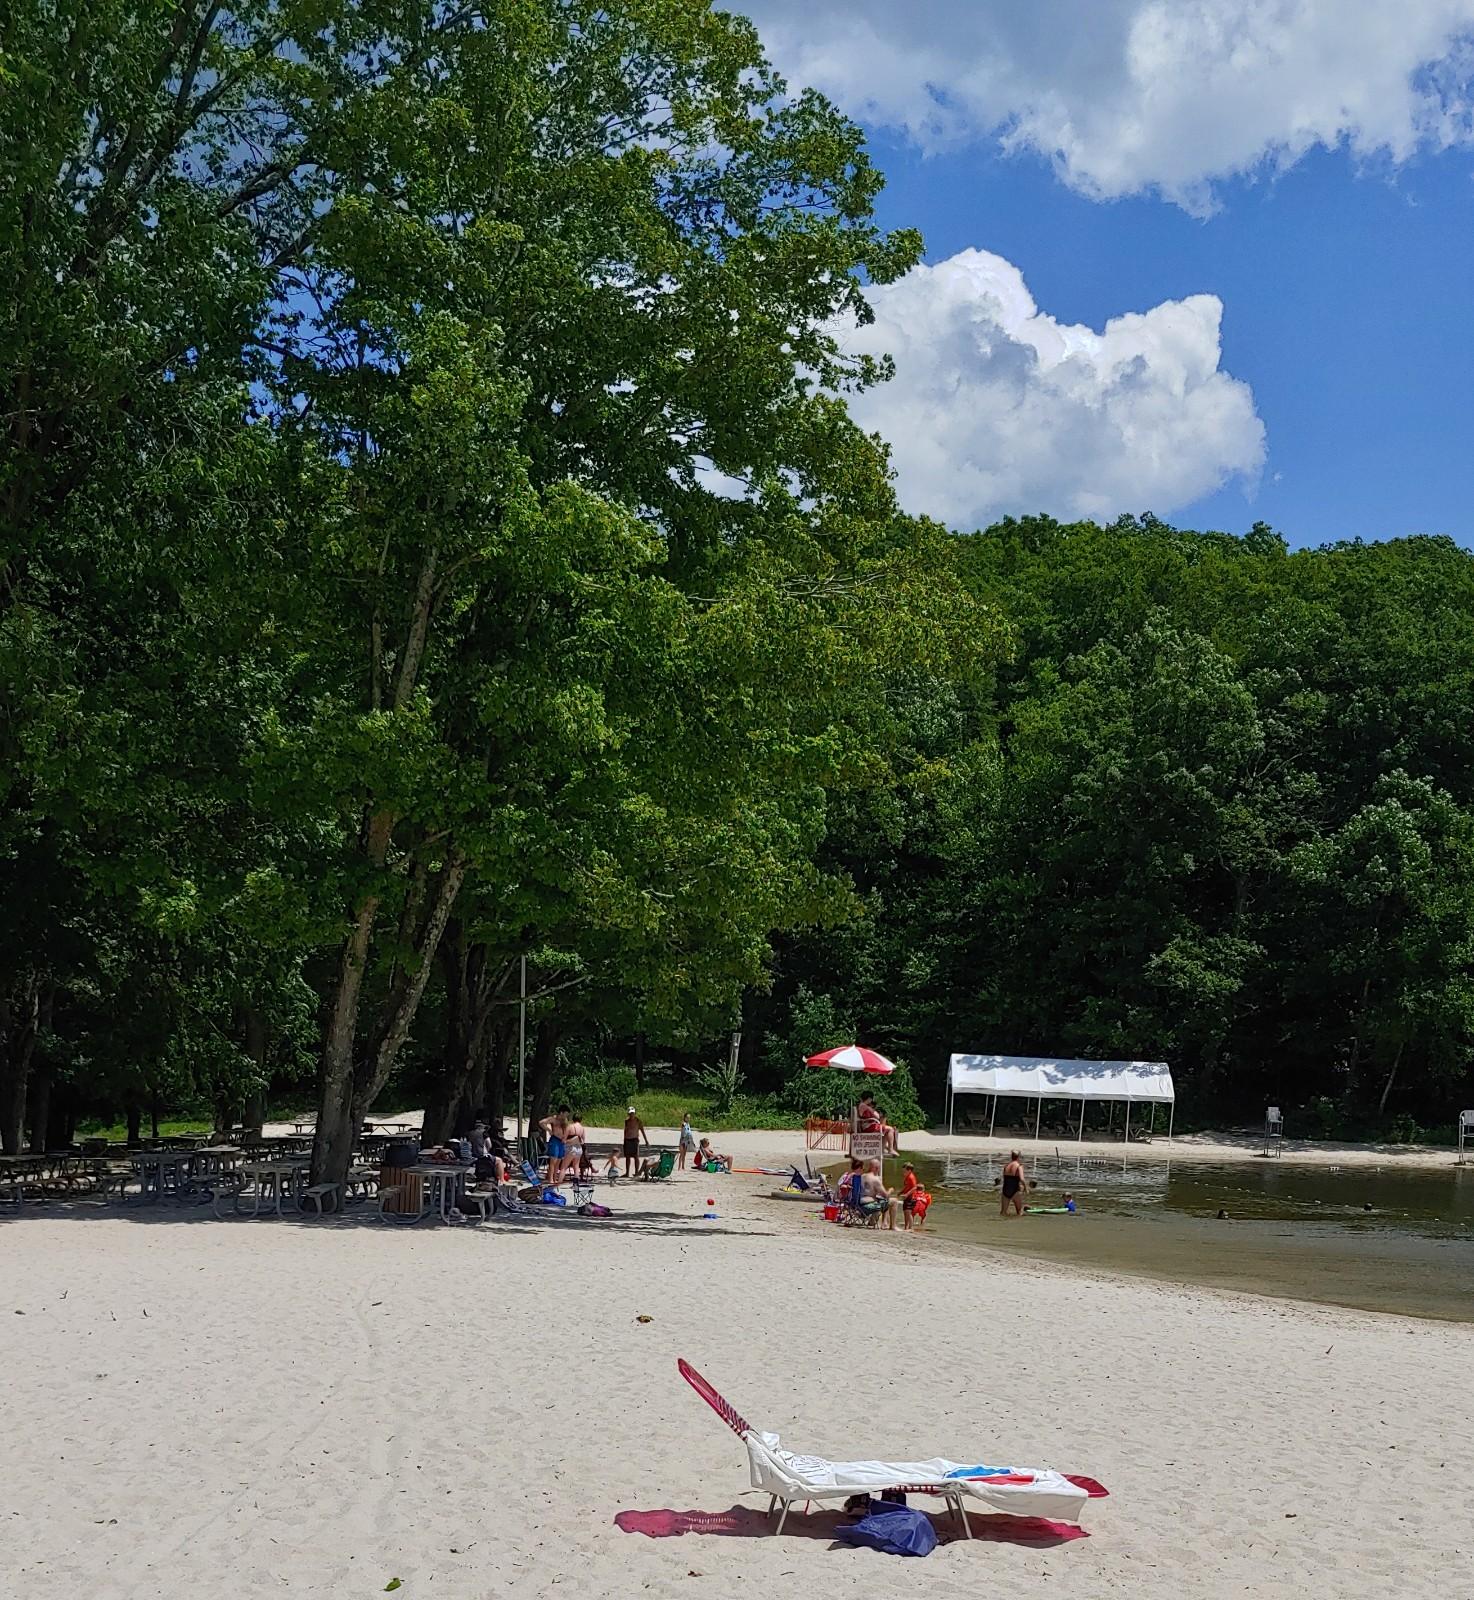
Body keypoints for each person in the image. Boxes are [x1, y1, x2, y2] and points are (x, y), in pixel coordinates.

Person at [857, 1091, 900, 1155]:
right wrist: (872, 1110)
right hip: (868, 1127)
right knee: (890, 1129)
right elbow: (877, 1116)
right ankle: (890, 1150)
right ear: (869, 1099)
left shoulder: (862, 1105)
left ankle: (882, 1150)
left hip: (867, 1126)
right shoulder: (864, 1106)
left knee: (886, 1131)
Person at [539, 1106, 570, 1183]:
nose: (566, 1116)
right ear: (561, 1112)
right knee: (553, 1160)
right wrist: (548, 1130)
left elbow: (566, 1129)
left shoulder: (565, 1120)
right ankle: (550, 1179)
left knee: (559, 1160)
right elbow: (541, 1122)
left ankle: (554, 1177)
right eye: (565, 1114)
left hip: (561, 1141)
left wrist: (565, 1138)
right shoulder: (553, 1119)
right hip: (555, 1140)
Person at [622, 1106, 649, 1177]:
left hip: (635, 1140)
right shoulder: (626, 1121)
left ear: (635, 1113)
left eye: (633, 1113)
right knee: (627, 1157)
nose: (631, 1115)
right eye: (630, 1113)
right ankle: (627, 1172)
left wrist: (646, 1141)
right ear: (628, 1114)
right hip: (627, 1140)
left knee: (636, 1156)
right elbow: (625, 1131)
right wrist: (624, 1140)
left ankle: (637, 1172)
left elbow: (642, 1131)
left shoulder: (638, 1121)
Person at [999, 1150, 1028, 1218]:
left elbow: (1005, 1179)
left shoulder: (1006, 1166)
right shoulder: (1019, 1166)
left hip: (1005, 1190)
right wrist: (1026, 1188)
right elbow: (1022, 1179)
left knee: (1003, 1212)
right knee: (1019, 1211)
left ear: (1011, 1157)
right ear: (1018, 1157)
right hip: (1015, 1191)